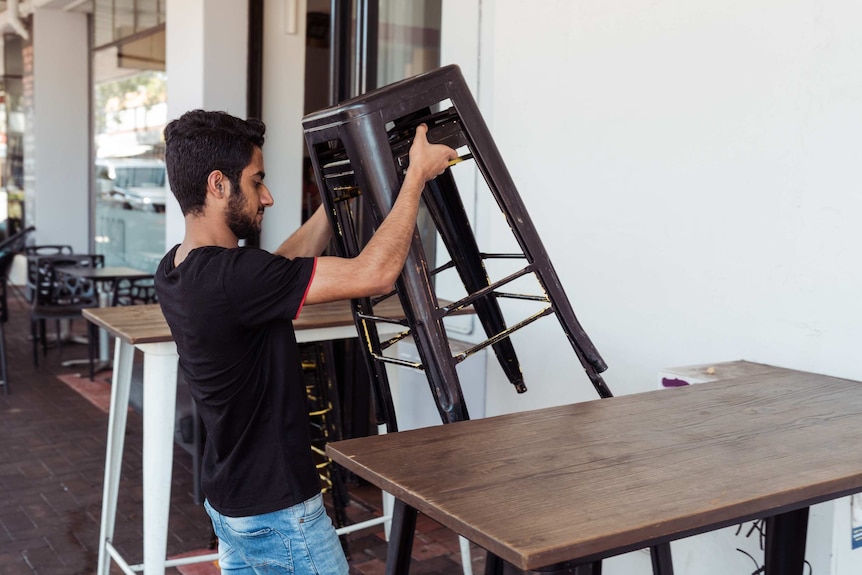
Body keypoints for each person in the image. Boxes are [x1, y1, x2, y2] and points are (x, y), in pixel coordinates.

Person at [154, 109, 456, 574]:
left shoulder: (177, 267)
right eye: (257, 181)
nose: (268, 197)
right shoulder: (234, 277)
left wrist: (332, 205)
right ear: (218, 185)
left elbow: (275, 269)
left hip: (232, 502)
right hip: (280, 513)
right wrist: (415, 177)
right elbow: (374, 275)